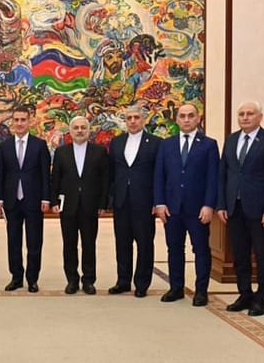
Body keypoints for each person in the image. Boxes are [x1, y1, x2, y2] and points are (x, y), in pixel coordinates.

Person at [217, 101, 264, 317]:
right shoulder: (231, 140)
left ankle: (261, 299)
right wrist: (221, 204)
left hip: (260, 210)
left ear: (260, 117)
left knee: (262, 256)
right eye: (241, 114)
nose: (245, 117)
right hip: (234, 208)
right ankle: (244, 294)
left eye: (250, 114)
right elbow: (223, 175)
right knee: (240, 255)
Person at [154, 103, 218, 306]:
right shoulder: (167, 145)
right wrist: (160, 203)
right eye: (182, 116)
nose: (187, 119)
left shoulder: (209, 145)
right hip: (172, 208)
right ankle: (176, 288)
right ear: (177, 119)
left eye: (191, 115)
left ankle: (201, 291)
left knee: (201, 250)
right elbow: (159, 176)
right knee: (174, 249)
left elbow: (213, 178)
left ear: (198, 118)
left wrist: (209, 205)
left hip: (198, 209)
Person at [51, 116, 109, 295]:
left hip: (90, 205)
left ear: (88, 130)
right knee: (69, 244)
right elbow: (55, 179)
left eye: (83, 127)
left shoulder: (99, 151)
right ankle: (72, 280)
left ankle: (89, 280)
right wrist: (54, 201)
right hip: (68, 205)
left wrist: (103, 203)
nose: (79, 131)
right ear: (70, 131)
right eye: (76, 128)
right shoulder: (61, 152)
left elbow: (105, 180)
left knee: (89, 244)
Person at [107, 105, 161, 298]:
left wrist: (157, 201)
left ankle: (142, 283)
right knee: (122, 243)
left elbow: (159, 175)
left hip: (145, 202)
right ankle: (123, 281)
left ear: (143, 119)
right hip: (121, 201)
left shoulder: (155, 143)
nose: (132, 121)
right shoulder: (116, 142)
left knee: (144, 243)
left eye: (136, 117)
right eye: (129, 118)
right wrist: (110, 199)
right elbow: (111, 173)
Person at [0, 106, 51, 293]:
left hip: (34, 200)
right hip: (12, 200)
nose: (19, 123)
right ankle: (16, 277)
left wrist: (46, 198)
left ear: (30, 121)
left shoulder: (39, 145)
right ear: (12, 122)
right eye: (16, 120)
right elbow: (1, 174)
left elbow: (45, 174)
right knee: (13, 240)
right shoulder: (4, 146)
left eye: (23, 120)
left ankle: (32, 279)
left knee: (34, 241)